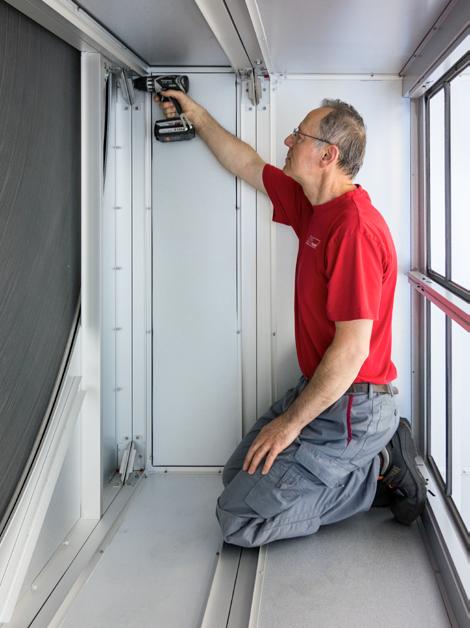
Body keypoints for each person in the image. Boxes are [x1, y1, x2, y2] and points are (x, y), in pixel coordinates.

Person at [156, 91, 427, 548]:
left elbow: (352, 349)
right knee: (233, 476)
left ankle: (378, 471)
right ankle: (364, 463)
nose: (287, 139)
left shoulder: (354, 229)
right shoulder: (314, 206)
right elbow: (246, 164)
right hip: (323, 391)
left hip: (351, 408)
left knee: (238, 520)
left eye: (298, 135)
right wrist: (197, 114)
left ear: (328, 155)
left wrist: (290, 424)